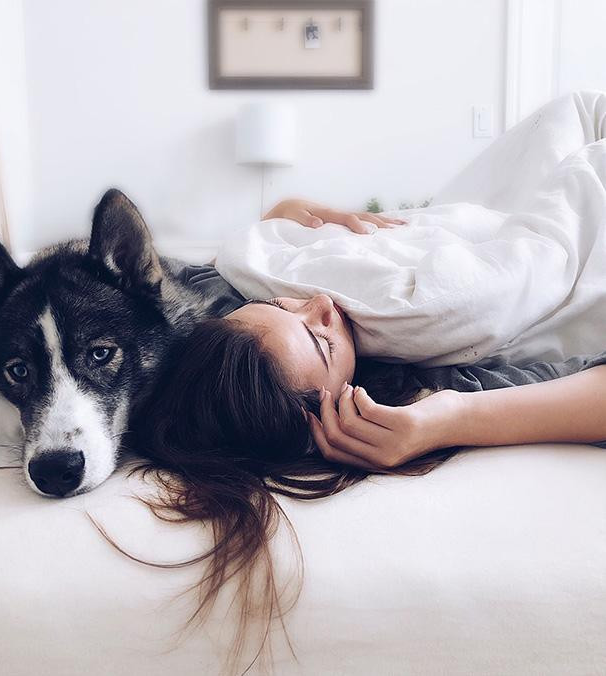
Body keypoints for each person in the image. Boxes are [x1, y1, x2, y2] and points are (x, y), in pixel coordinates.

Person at [131, 196, 606, 672]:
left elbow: (251, 238)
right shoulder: (419, 381)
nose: (320, 303)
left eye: (278, 304)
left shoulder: (217, 309)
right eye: (323, 342)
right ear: (332, 411)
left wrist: (297, 213)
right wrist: (448, 419)